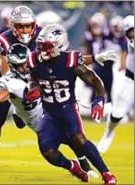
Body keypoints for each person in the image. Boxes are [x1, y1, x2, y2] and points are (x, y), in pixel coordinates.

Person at [0, 42, 117, 180]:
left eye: (24, 64)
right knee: (64, 142)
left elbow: (67, 61)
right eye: (19, 66)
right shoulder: (8, 80)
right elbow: (2, 94)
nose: (24, 68)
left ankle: (93, 169)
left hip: (49, 110)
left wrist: (95, 58)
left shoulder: (36, 64)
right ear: (12, 66)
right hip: (35, 118)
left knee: (75, 138)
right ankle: (74, 166)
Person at [26, 24, 117, 184]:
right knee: (47, 150)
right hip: (49, 113)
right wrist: (34, 88)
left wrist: (99, 99)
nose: (42, 50)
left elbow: (94, 79)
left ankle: (106, 173)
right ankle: (73, 167)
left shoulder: (70, 60)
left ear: (59, 45)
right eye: (40, 46)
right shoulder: (34, 60)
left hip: (67, 109)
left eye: (47, 47)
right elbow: (34, 79)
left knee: (78, 138)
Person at [0, 5, 43, 173]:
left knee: (33, 122)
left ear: (33, 24)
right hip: (8, 77)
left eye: (27, 25)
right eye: (20, 25)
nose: (24, 29)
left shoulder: (42, 34)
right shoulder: (3, 39)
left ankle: (18, 111)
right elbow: (6, 68)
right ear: (13, 25)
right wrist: (13, 88)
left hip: (34, 78)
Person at [97, 15, 134, 153]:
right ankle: (108, 133)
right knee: (117, 113)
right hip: (131, 80)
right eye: (130, 31)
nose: (133, 34)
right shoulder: (130, 43)